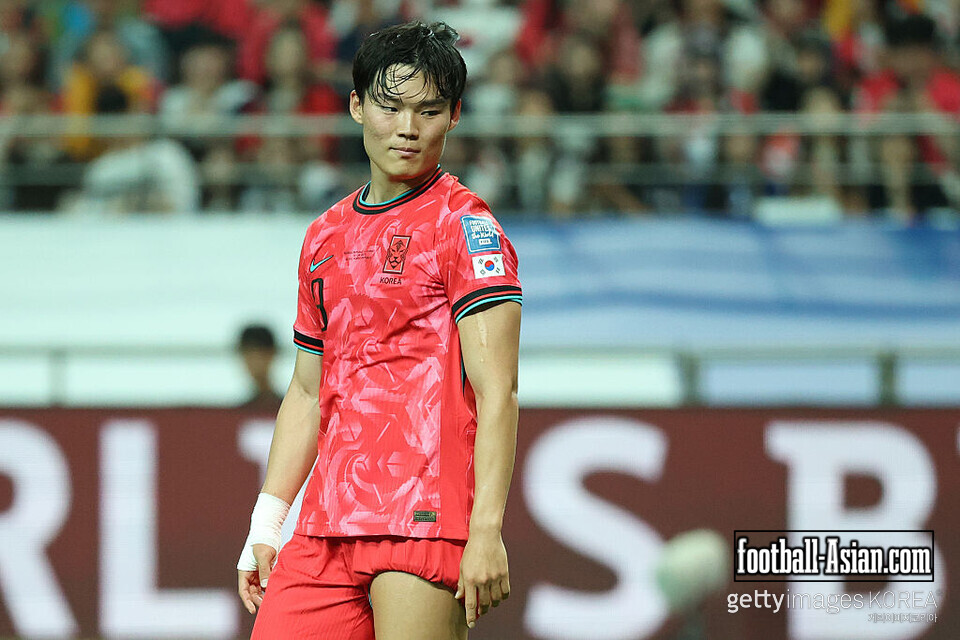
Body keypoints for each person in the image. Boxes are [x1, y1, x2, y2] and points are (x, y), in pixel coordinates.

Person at [236, 20, 522, 639]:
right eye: (391, 107)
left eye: (429, 110)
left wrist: (486, 530)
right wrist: (267, 523)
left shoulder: (465, 228)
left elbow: (497, 390)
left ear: (454, 116)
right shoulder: (324, 236)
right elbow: (306, 391)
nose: (408, 128)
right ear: (357, 106)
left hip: (424, 517)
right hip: (325, 523)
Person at [237, 324, 284, 413]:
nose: (252, 361)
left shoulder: (287, 408)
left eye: (256, 354)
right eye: (247, 354)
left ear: (271, 354)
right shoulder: (242, 412)